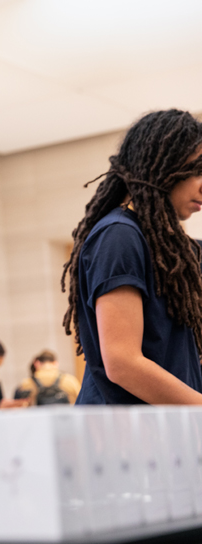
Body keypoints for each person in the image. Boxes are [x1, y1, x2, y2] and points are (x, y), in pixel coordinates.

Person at [62, 110, 202, 406]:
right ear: (158, 165)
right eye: (196, 171)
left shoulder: (173, 249)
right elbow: (123, 363)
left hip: (165, 431)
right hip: (122, 439)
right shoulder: (119, 236)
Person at [13, 350, 81, 405]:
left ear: (37, 363)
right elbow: (82, 403)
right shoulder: (71, 381)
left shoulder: (25, 384)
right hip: (66, 421)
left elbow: (18, 409)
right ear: (56, 363)